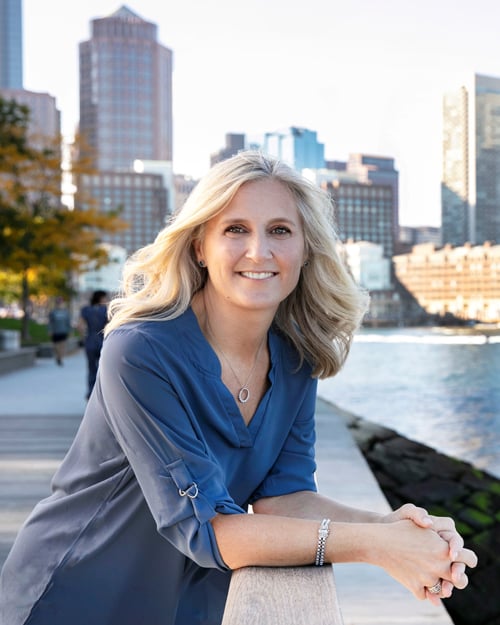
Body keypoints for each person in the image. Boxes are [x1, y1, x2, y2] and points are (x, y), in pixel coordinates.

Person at [0, 152, 477, 625]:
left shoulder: (296, 358)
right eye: (235, 229)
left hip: (181, 606)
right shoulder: (141, 352)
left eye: (280, 230)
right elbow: (206, 529)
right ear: (199, 247)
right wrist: (375, 547)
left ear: (305, 248)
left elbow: (284, 498)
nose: (259, 251)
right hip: (70, 598)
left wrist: (391, 526)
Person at [78, 290, 108, 399]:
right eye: (105, 298)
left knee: (91, 368)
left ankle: (90, 392)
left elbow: (80, 326)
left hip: (90, 340)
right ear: (100, 298)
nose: (106, 300)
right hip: (102, 341)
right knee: (103, 369)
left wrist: (83, 338)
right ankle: (101, 393)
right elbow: (109, 325)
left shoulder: (85, 310)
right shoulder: (105, 310)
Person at [47, 297, 72, 366]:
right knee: (55, 346)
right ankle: (58, 356)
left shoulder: (66, 312)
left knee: (62, 346)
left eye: (61, 303)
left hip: (63, 331)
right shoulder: (53, 312)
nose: (59, 304)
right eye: (58, 303)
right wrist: (49, 330)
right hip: (55, 332)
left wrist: (70, 330)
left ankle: (60, 358)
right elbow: (50, 322)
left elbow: (68, 322)